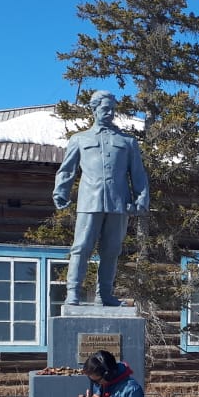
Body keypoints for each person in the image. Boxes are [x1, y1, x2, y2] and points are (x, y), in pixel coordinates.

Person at [52, 89, 150, 308]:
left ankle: (104, 295)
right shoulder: (79, 139)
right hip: (89, 202)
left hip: (119, 204)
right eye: (105, 109)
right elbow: (67, 169)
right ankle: (73, 293)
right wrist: (61, 191)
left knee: (112, 250)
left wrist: (142, 198)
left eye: (112, 110)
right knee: (81, 247)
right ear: (94, 110)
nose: (109, 113)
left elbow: (138, 173)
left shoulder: (127, 142)